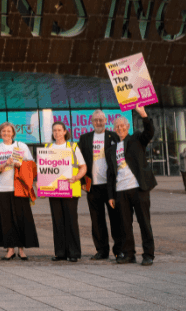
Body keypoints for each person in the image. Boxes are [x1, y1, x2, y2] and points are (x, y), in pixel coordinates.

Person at [106, 106, 156, 266]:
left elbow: (149, 132)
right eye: (117, 126)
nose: (120, 128)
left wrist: (143, 115)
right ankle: (129, 254)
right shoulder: (112, 149)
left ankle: (148, 254)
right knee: (125, 224)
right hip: (120, 190)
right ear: (114, 129)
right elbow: (111, 173)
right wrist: (111, 195)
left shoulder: (136, 139)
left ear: (128, 127)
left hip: (138, 188)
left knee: (144, 222)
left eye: (123, 126)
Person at [0, 122, 39, 260]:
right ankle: (10, 249)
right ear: (0, 133)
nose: (6, 133)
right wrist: (6, 164)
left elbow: (31, 166)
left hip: (19, 187)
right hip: (2, 188)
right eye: (3, 131)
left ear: (13, 133)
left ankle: (21, 250)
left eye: (9, 131)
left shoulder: (21, 146)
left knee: (21, 218)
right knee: (6, 220)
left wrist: (20, 164)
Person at [77, 109, 122, 260]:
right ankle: (101, 250)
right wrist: (82, 182)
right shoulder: (84, 139)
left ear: (105, 121)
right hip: (93, 186)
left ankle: (118, 250)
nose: (98, 122)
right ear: (92, 121)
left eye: (101, 120)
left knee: (115, 218)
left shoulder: (114, 136)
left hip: (110, 186)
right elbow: (79, 161)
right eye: (96, 120)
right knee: (96, 220)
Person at [44, 122, 86, 262]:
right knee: (57, 221)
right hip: (54, 189)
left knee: (71, 221)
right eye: (54, 130)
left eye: (59, 130)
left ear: (65, 131)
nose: (57, 133)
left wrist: (76, 177)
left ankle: (73, 253)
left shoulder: (73, 147)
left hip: (70, 188)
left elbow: (83, 167)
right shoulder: (47, 147)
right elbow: (45, 168)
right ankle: (60, 253)